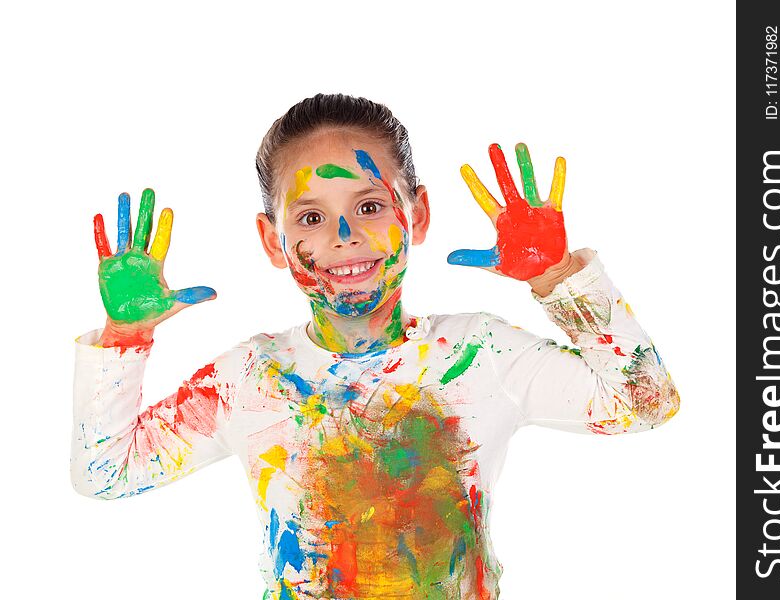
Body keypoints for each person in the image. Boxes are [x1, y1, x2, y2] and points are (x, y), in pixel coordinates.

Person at [71, 92, 681, 599]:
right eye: (309, 218)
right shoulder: (252, 378)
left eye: (369, 205)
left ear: (416, 214)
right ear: (270, 237)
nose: (345, 237)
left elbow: (644, 401)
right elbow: (105, 473)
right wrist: (128, 336)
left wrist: (556, 276)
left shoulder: (477, 352)